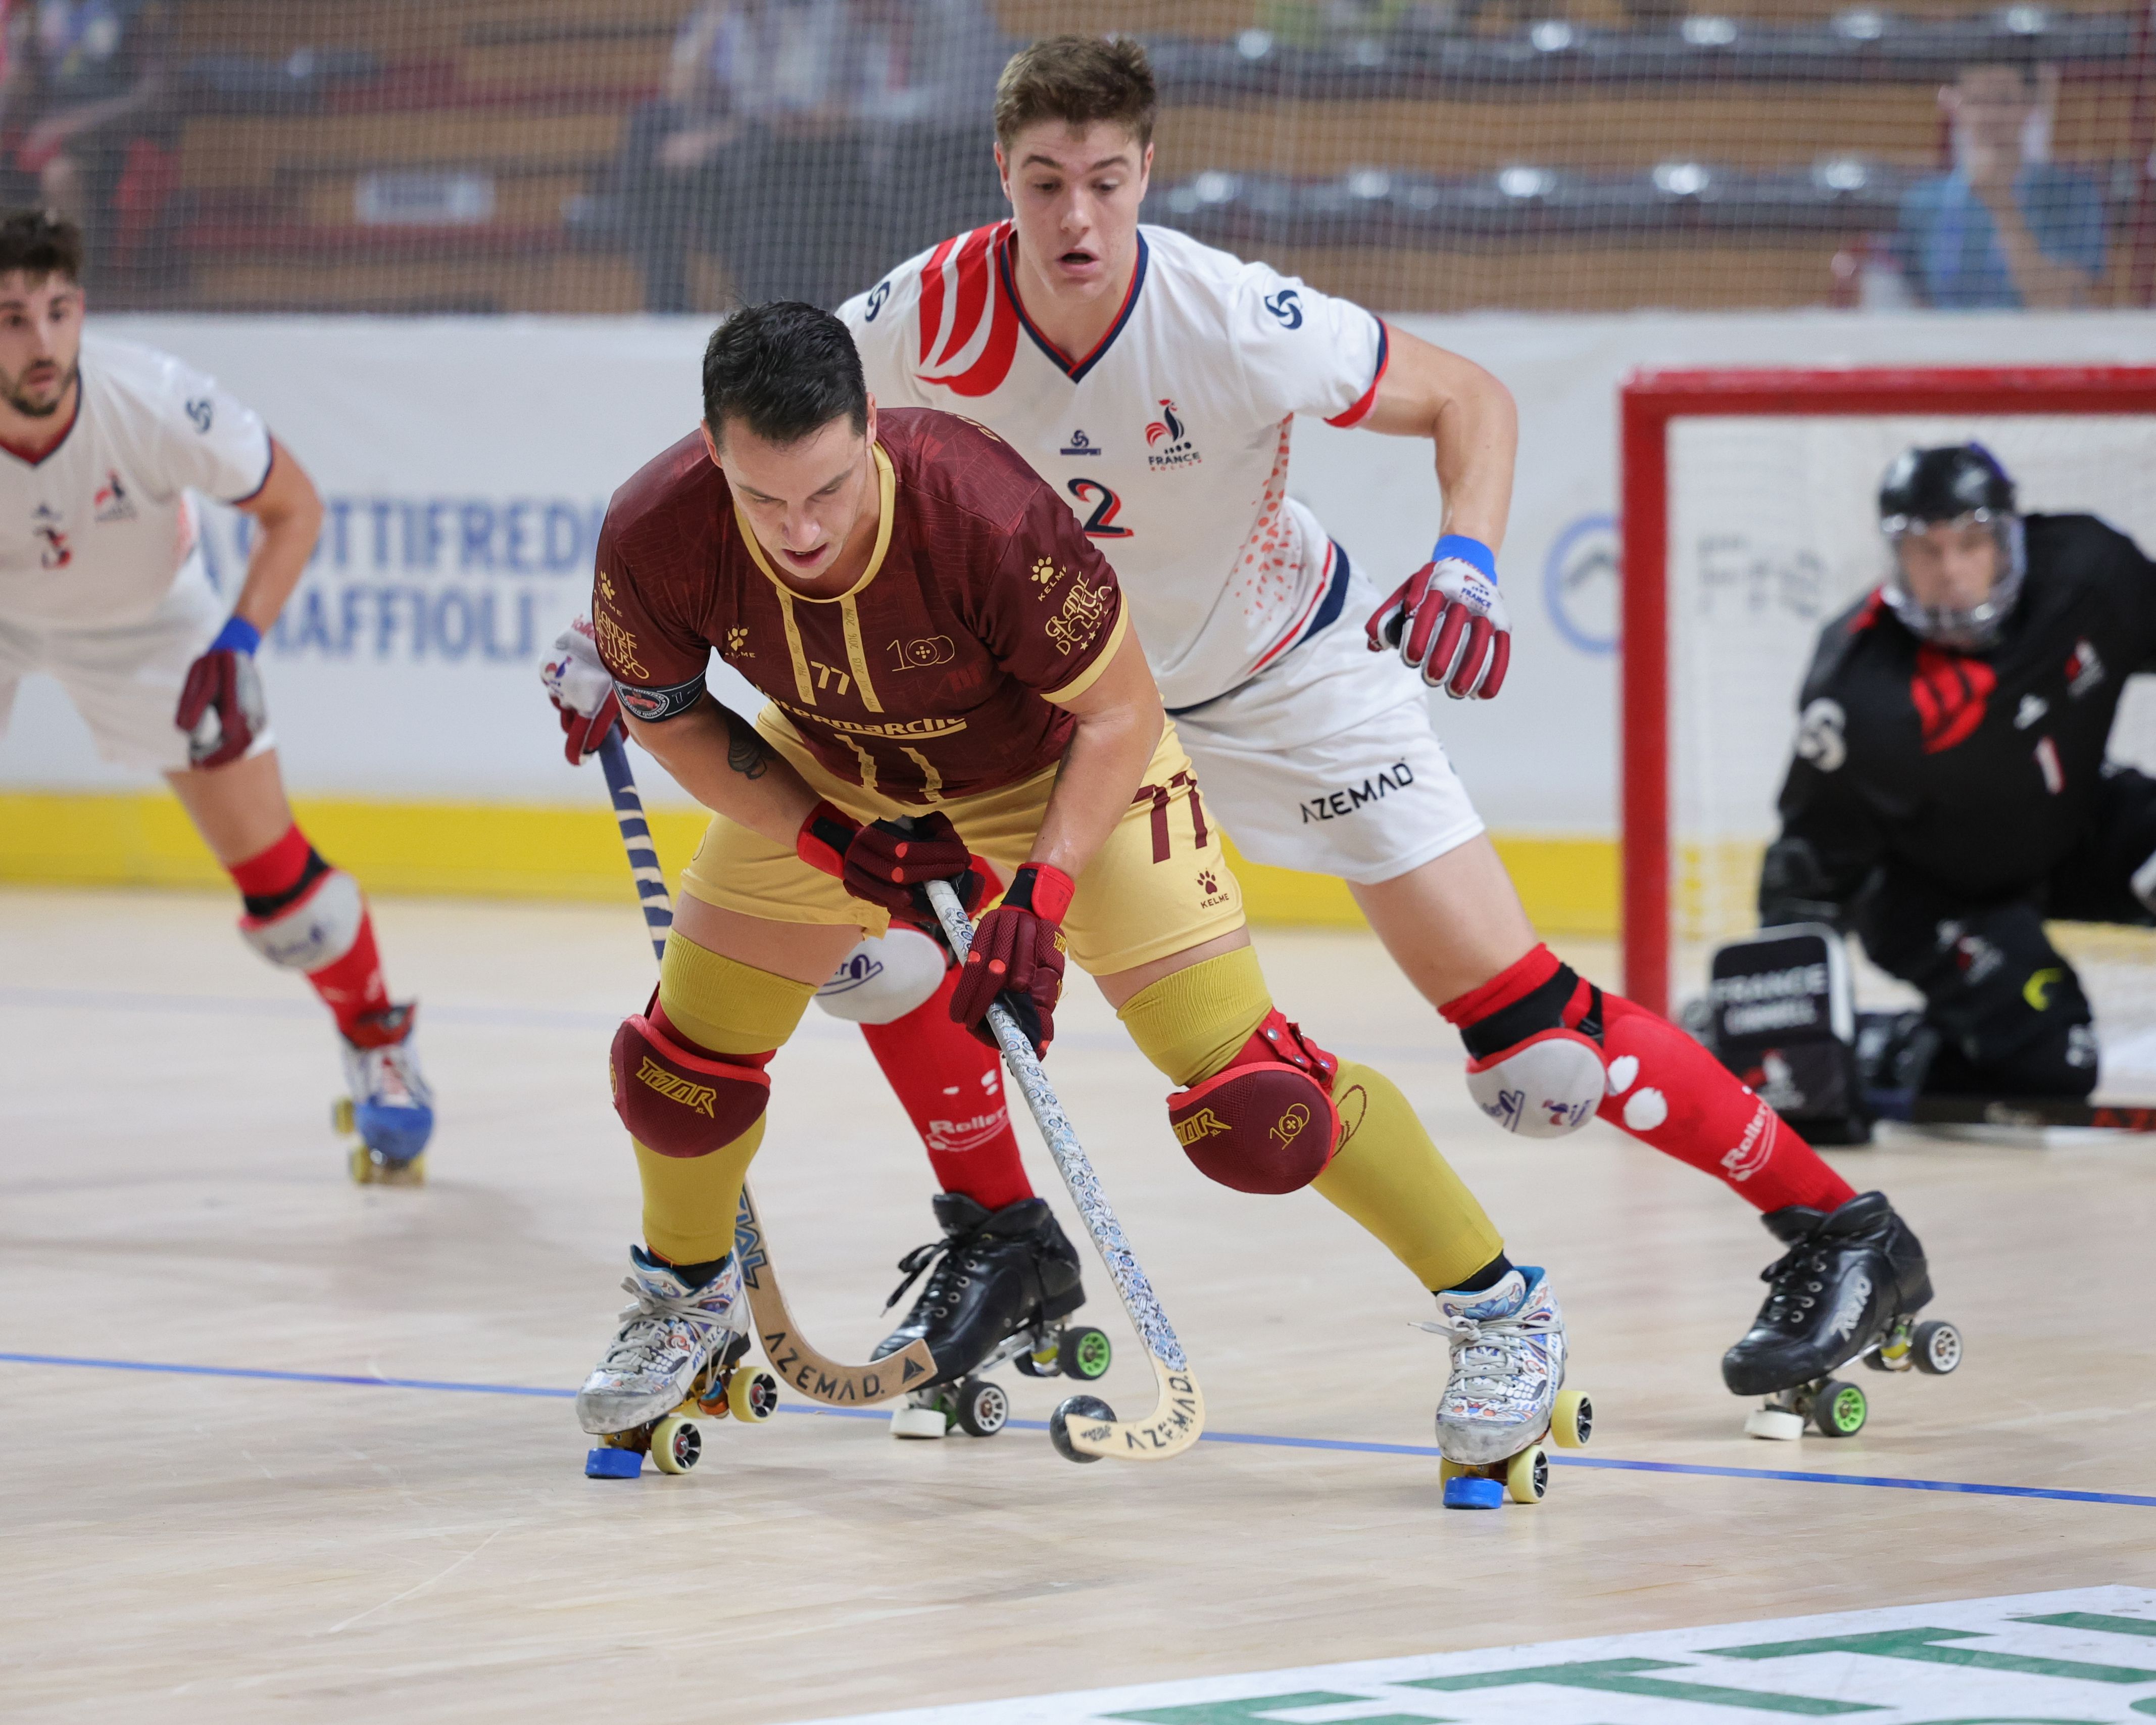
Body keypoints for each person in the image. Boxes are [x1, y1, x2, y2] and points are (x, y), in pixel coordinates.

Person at [825, 34, 1932, 1414]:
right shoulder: (914, 315)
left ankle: (1845, 1233)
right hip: (1063, 709)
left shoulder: (1226, 314)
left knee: (1535, 1051)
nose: (1074, 218)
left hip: (1279, 673)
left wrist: (1464, 554)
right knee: (871, 942)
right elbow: (758, 446)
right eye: (1044, 182)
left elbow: (1468, 395)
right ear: (1001, 174)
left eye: (1105, 181)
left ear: (1146, 171)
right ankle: (1003, 1243)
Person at [569, 301, 1574, 1482]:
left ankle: (1504, 1309)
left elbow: (1118, 712)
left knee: (1251, 1098)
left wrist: (1037, 901)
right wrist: (831, 838)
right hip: (832, 764)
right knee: (675, 1070)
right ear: (709, 451)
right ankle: (683, 1301)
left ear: (872, 432)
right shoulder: (655, 526)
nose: (799, 530)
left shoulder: (979, 508)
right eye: (762, 498)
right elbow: (669, 715)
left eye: (829, 490)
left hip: (1056, 767)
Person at [0, 207, 433, 1177]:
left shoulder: (151, 399)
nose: (41, 342)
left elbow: (296, 504)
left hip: (151, 621)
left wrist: (238, 643)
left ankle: (378, 1041)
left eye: (58, 311)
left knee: (287, 896)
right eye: (11, 318)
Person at [1763, 443, 2156, 1111]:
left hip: (2067, 820)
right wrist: (1786, 1031)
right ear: (1896, 555)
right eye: (1927, 550)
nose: (1952, 572)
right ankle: (1893, 1045)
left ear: (2009, 532)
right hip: (1932, 890)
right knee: (2057, 1064)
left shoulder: (2091, 571)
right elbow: (1805, 867)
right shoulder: (1857, 686)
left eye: (1972, 543)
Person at [1892, 57, 2106, 310]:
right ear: (1954, 105)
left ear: (2030, 106)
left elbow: (2056, 302)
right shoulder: (1922, 201)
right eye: (1977, 101)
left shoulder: (2072, 193)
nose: (1990, 116)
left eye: (2004, 101)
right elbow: (1914, 305)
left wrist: (2002, 206)